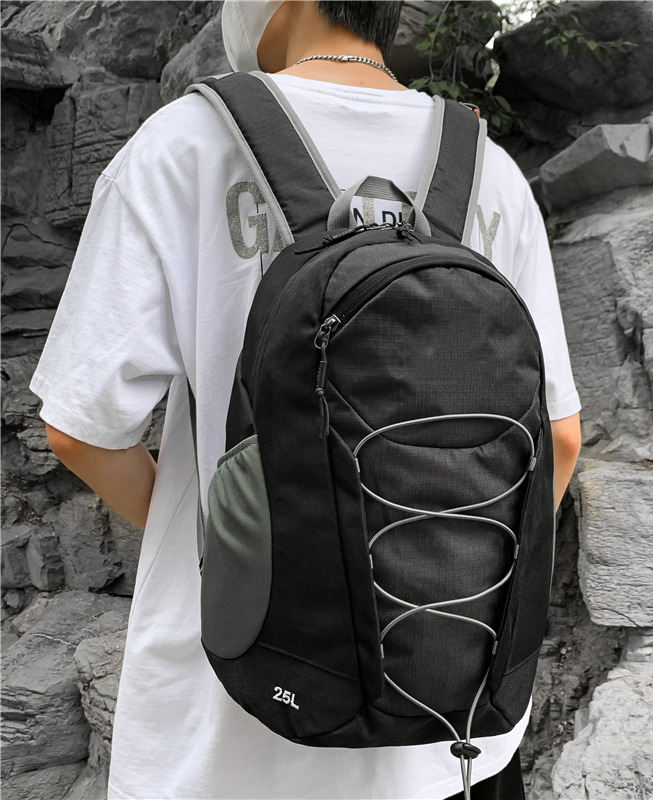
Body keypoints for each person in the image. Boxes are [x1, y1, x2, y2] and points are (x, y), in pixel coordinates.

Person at [30, 1, 582, 797]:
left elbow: (82, 432)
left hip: (231, 734)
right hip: (454, 730)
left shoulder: (184, 145)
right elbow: (558, 440)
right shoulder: (488, 167)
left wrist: (253, 550)